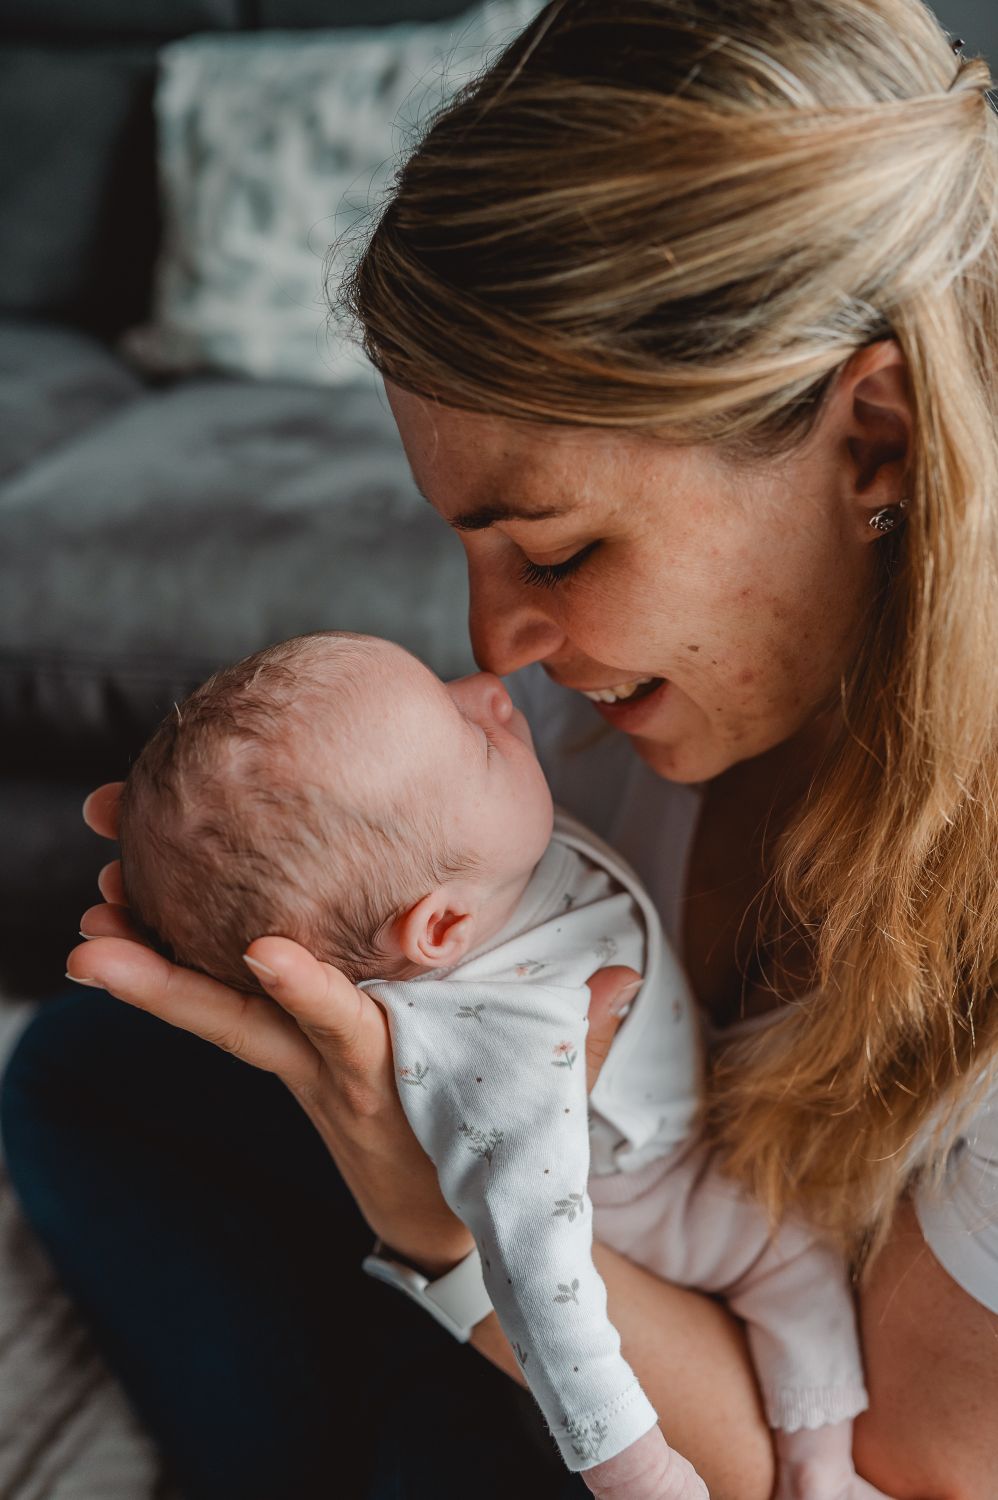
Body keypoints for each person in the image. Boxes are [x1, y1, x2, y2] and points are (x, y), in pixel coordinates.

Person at [5, 1, 998, 1496]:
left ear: (876, 442)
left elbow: (874, 1475)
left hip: (732, 1409)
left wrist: (439, 1223)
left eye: (557, 547)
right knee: (96, 1064)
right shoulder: (604, 730)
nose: (496, 645)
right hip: (609, 1245)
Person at [115, 628, 882, 1500]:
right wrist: (632, 1465)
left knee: (67, 1069)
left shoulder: (470, 874)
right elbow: (537, 1270)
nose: (491, 688)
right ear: (442, 930)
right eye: (472, 738)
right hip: (652, 1197)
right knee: (793, 1258)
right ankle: (822, 1471)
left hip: (639, 1150)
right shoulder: (505, 1037)